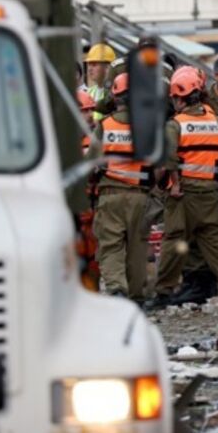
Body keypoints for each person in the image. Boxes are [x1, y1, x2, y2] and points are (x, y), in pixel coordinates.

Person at [153, 67, 218, 304]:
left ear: (180, 96)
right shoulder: (216, 122)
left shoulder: (175, 125)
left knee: (174, 239)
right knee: (215, 239)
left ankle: (163, 292)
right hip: (209, 191)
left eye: (174, 97)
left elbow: (169, 159)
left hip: (183, 193)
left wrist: (172, 184)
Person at [91, 74, 151, 302]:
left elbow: (91, 163)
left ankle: (117, 288)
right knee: (137, 249)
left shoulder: (105, 125)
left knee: (111, 245)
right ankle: (137, 297)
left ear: (116, 97)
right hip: (140, 197)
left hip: (111, 195)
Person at [80, 43, 116, 113]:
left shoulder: (116, 92)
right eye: (89, 64)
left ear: (107, 67)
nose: (90, 68)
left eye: (94, 65)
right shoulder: (88, 93)